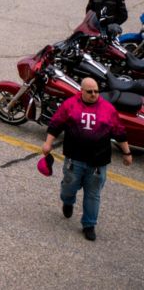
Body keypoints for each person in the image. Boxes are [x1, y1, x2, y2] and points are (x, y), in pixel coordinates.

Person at [43, 77, 131, 241]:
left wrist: (127, 153)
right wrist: (48, 143)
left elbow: (119, 131)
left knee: (93, 194)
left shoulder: (108, 109)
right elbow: (56, 124)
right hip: (74, 159)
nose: (94, 95)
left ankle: (89, 225)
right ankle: (67, 201)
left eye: (97, 91)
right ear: (81, 91)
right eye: (90, 92)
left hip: (98, 162)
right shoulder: (70, 104)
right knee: (69, 187)